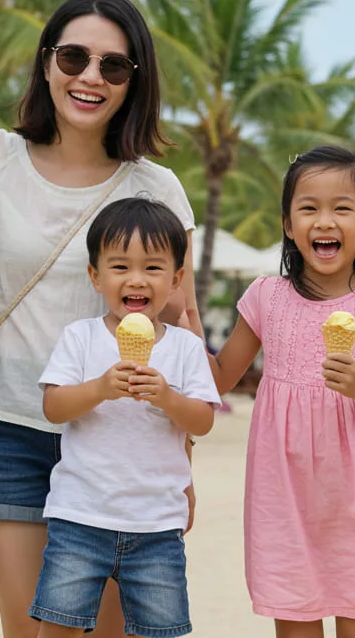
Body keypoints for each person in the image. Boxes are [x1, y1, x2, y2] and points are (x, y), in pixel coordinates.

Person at [0, 0, 203, 638]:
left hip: (123, 443)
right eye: (73, 57)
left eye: (114, 65)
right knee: (32, 631)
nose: (90, 77)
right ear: (46, 63)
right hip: (7, 430)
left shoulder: (155, 187)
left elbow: (179, 326)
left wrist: (181, 464)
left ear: (136, 81)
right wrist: (4, 301)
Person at [210, 146, 355, 638]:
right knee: (294, 622)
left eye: (342, 208)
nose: (324, 221)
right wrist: (177, 320)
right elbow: (219, 377)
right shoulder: (266, 297)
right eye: (308, 208)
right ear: (288, 224)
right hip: (283, 496)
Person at [31, 198, 219, 638]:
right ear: (95, 276)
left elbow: (203, 421)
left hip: (157, 524)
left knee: (159, 630)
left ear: (175, 281)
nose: (136, 279)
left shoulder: (186, 348)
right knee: (58, 625)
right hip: (80, 517)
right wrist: (99, 388)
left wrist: (168, 397)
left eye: (153, 268)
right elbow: (54, 407)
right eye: (120, 267)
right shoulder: (80, 338)